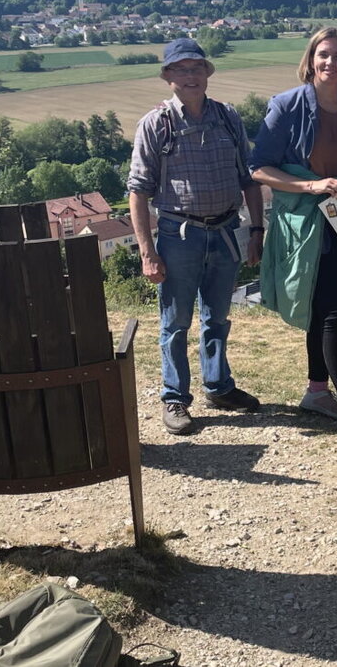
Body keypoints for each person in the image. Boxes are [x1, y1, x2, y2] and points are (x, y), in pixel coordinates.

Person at [128, 37, 265, 436]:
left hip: (225, 231)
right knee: (175, 322)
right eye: (181, 69)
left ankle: (219, 387)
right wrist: (147, 252)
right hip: (177, 234)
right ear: (168, 76)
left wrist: (256, 230)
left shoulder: (227, 117)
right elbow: (137, 191)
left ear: (207, 73)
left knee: (217, 317)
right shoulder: (156, 124)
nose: (190, 76)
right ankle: (175, 398)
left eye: (196, 68)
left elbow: (248, 179)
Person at [249, 27, 337, 448]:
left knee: (325, 306)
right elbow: (259, 168)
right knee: (334, 311)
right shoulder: (285, 106)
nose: (330, 63)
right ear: (311, 59)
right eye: (323, 55)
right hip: (305, 224)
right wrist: (310, 186)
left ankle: (316, 391)